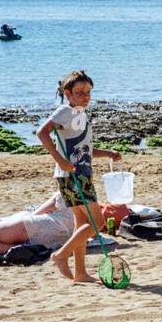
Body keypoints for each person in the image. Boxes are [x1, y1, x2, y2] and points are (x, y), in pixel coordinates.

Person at [36, 69, 122, 283]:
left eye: (88, 92)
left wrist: (107, 154)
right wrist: (60, 160)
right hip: (73, 175)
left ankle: (81, 273)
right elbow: (42, 132)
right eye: (80, 92)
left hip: (79, 173)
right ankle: (61, 255)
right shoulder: (65, 111)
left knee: (81, 223)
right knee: (98, 222)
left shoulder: (80, 114)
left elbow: (83, 149)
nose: (85, 96)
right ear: (67, 93)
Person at [0, 198, 129, 261]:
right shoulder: (96, 225)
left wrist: (30, 216)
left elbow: (51, 203)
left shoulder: (79, 192)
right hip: (43, 243)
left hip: (34, 226)